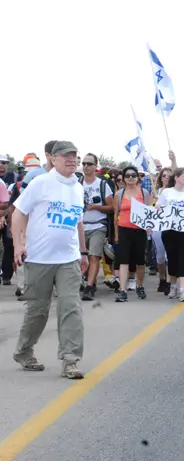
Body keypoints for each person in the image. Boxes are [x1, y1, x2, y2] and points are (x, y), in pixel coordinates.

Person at [11, 141, 89, 379]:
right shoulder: (41, 183)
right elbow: (18, 213)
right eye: (66, 156)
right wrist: (18, 244)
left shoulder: (77, 187)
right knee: (38, 311)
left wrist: (83, 253)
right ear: (52, 159)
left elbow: (78, 222)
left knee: (71, 308)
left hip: (68, 259)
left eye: (75, 156)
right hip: (39, 259)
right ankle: (24, 351)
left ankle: (70, 360)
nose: (72, 160)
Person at [158, 168, 184, 302]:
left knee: (183, 259)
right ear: (176, 178)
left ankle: (182, 290)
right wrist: (158, 207)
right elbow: (159, 207)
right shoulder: (167, 192)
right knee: (172, 259)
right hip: (169, 232)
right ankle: (173, 286)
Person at [113, 166, 153, 302]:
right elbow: (115, 215)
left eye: (133, 175)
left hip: (139, 230)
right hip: (124, 229)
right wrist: (116, 234)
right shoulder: (119, 194)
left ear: (138, 177)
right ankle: (122, 290)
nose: (131, 178)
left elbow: (149, 211)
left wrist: (149, 227)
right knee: (123, 261)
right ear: (123, 178)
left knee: (140, 262)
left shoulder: (145, 193)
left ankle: (139, 285)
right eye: (128, 175)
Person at [79, 153, 114, 300]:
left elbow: (112, 207)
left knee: (94, 256)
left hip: (98, 226)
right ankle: (88, 281)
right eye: (84, 164)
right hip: (79, 226)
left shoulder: (102, 184)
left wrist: (96, 207)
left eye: (89, 164)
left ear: (95, 167)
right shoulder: (76, 183)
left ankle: (89, 287)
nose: (86, 166)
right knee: (81, 258)